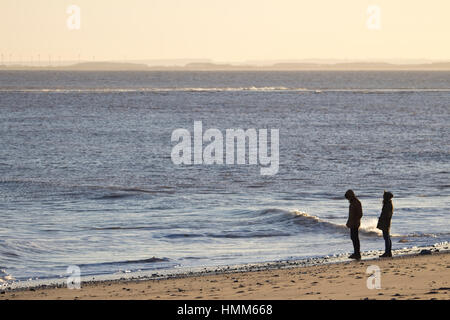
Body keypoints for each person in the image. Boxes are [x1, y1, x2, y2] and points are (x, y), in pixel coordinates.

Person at [345, 189, 363, 260]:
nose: (348, 199)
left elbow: (360, 214)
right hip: (352, 223)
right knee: (353, 238)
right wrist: (349, 221)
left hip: (355, 223)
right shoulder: (353, 202)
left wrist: (355, 220)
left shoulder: (356, 202)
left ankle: (357, 253)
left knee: (355, 238)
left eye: (348, 197)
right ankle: (356, 252)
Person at [377, 191, 394, 258]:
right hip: (385, 222)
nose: (383, 197)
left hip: (385, 222)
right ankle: (388, 252)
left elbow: (388, 215)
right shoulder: (387, 203)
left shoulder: (388, 204)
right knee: (387, 237)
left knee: (386, 237)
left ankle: (387, 252)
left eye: (384, 196)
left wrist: (382, 218)